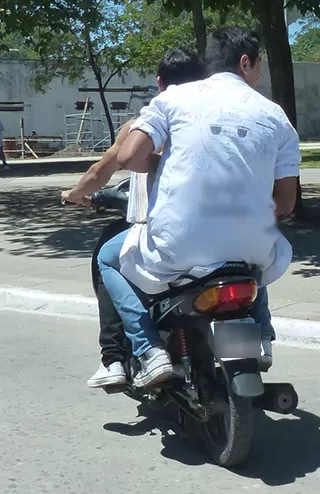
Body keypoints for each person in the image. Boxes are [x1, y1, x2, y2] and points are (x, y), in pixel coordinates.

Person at [99, 27, 301, 388]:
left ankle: (148, 350)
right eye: (259, 66)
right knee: (255, 253)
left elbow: (128, 156)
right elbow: (285, 203)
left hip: (177, 246)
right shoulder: (277, 116)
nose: (260, 74)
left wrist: (158, 164)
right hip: (252, 247)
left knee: (107, 258)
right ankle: (261, 338)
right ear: (244, 62)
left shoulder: (174, 99)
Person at [61, 46, 207, 389]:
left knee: (107, 259)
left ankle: (116, 358)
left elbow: (102, 171)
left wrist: (73, 195)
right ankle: (262, 333)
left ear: (159, 83)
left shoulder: (145, 123)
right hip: (214, 230)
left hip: (160, 234)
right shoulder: (213, 121)